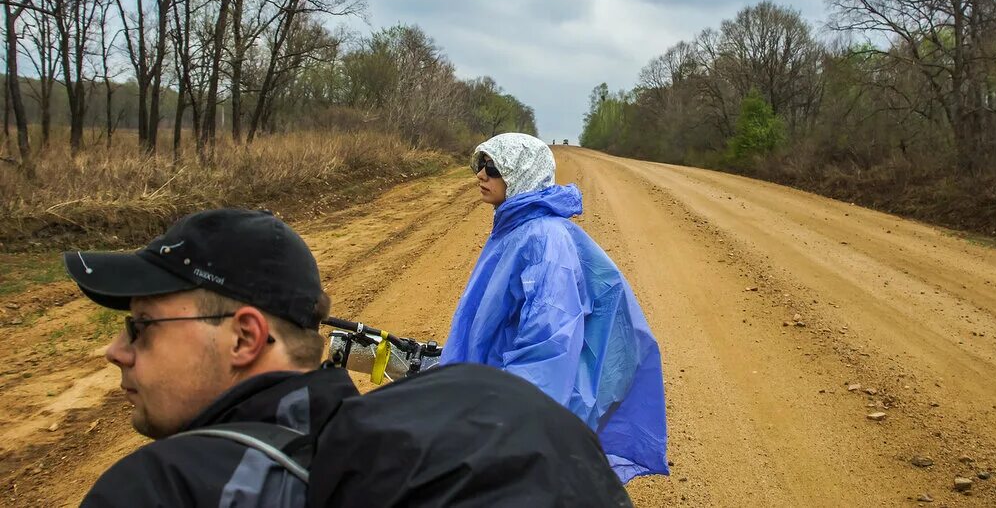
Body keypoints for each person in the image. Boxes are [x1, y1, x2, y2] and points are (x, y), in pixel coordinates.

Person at [65, 208, 631, 507]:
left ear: (244, 338)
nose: (115, 351)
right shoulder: (477, 422)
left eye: (141, 326)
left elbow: (550, 336)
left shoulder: (165, 489)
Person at [440, 133, 669, 484]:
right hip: (494, 388)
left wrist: (509, 420)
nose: (481, 175)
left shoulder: (544, 239)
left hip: (516, 406)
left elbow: (548, 342)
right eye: (480, 166)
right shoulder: (516, 228)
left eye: (493, 167)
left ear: (522, 173)